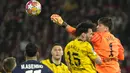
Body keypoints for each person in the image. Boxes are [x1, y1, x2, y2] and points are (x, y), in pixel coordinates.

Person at [51, 14, 124, 73]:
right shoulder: (117, 40)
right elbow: (121, 57)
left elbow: (78, 32)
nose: (97, 27)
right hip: (116, 69)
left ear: (106, 29)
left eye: (100, 25)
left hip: (103, 69)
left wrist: (63, 24)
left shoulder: (98, 37)